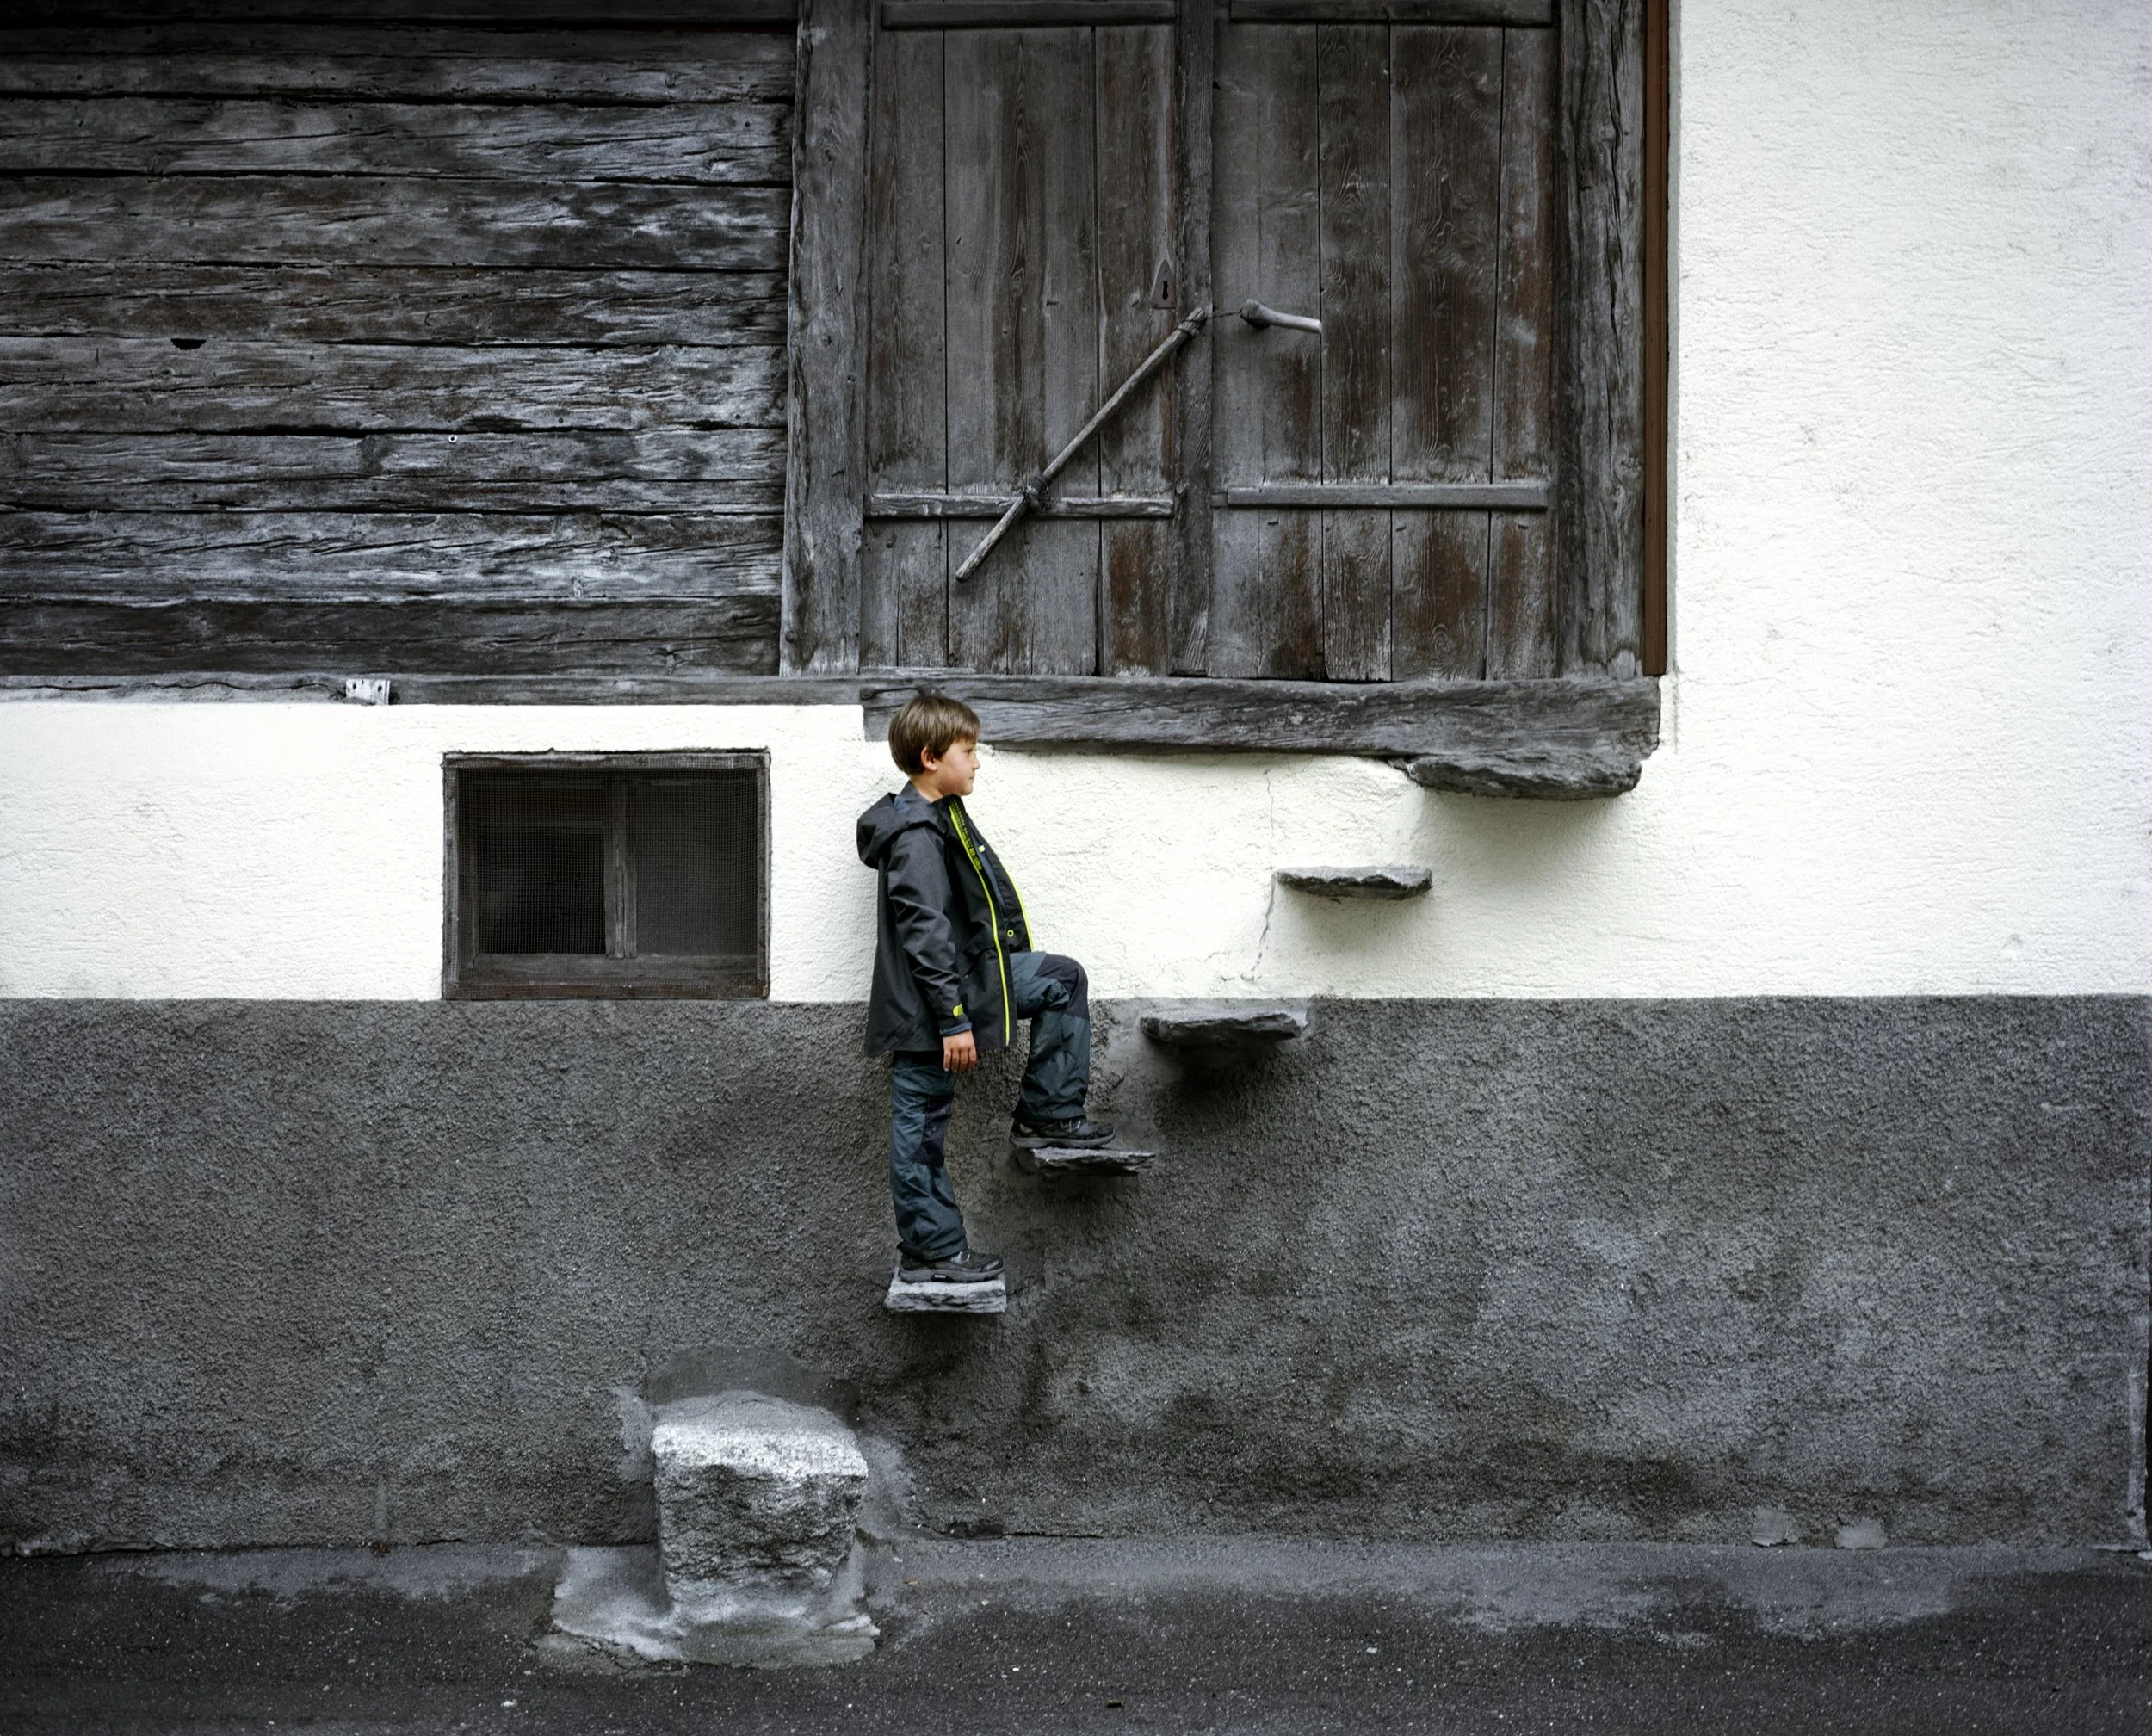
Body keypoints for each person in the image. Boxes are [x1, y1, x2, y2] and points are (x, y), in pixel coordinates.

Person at [856, 695, 1114, 1285]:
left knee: (1061, 979)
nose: (977, 763)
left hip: (970, 985)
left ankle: (1049, 1114)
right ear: (930, 757)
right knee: (920, 1132)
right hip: (931, 1012)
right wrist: (952, 1020)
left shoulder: (941, 811)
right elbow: (925, 934)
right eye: (968, 751)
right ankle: (932, 1254)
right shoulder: (917, 834)